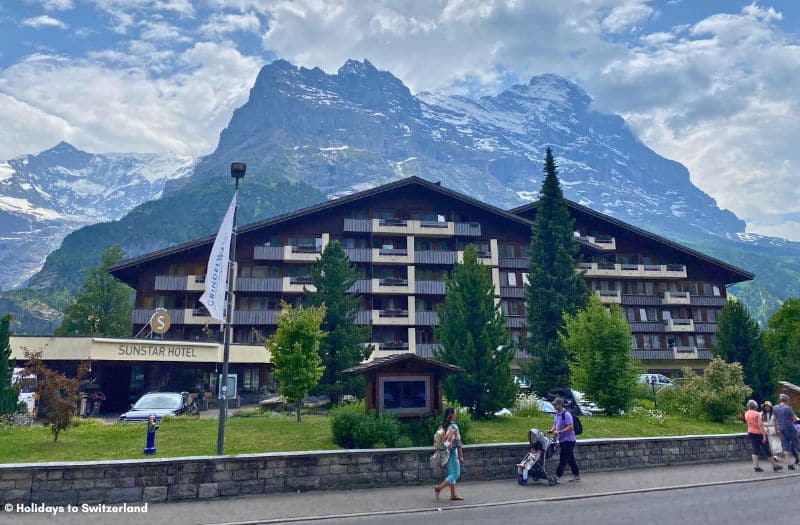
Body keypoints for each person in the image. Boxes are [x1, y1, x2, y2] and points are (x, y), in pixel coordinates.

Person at [433, 407, 464, 501]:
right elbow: (458, 442)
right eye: (455, 413)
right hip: (452, 452)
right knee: (456, 474)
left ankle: (453, 495)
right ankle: (439, 488)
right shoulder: (454, 426)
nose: (456, 414)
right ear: (451, 415)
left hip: (445, 452)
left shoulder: (443, 426)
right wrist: (461, 455)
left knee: (451, 473)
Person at [549, 398, 580, 482]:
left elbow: (571, 427)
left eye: (556, 404)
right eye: (554, 404)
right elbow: (555, 425)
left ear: (560, 404)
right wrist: (551, 430)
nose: (554, 406)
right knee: (570, 458)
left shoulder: (566, 414)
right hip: (562, 440)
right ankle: (576, 475)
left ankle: (557, 475)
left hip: (569, 440)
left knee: (563, 458)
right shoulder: (557, 414)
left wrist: (559, 432)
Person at [744, 400, 779, 472]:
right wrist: (764, 435)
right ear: (755, 406)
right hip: (759, 433)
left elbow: (747, 423)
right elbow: (760, 425)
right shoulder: (757, 414)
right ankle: (775, 466)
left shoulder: (746, 413)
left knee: (755, 450)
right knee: (767, 450)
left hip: (750, 432)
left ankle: (756, 467)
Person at [774, 394, 799, 470]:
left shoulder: (775, 408)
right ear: (787, 400)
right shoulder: (788, 408)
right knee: (797, 444)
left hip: (781, 429)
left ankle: (789, 464)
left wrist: (776, 430)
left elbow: (774, 420)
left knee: (785, 447)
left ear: (780, 400)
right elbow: (795, 419)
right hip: (790, 428)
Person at [761, 401, 784, 470]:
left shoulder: (774, 413)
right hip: (766, 429)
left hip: (773, 428)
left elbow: (777, 422)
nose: (767, 408)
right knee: (770, 444)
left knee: (777, 443)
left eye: (768, 406)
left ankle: (777, 456)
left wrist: (778, 430)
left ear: (771, 407)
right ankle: (774, 457)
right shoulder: (762, 414)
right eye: (765, 406)